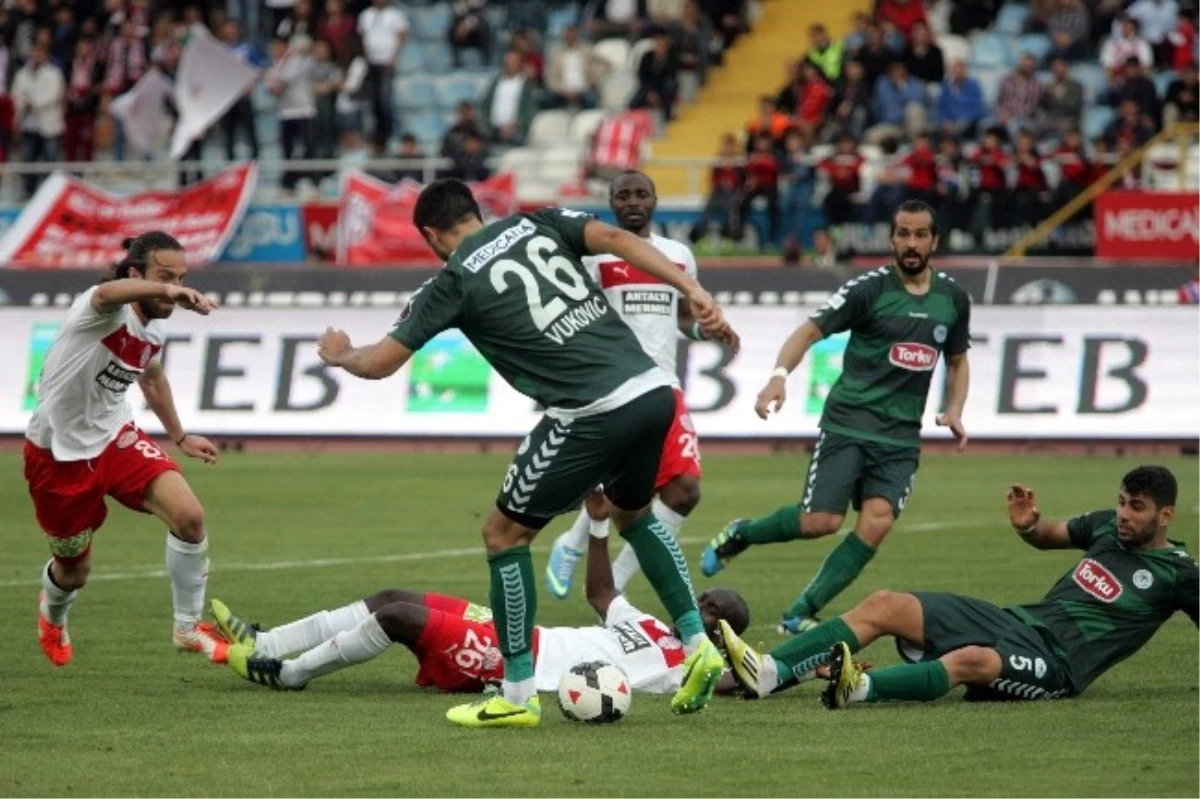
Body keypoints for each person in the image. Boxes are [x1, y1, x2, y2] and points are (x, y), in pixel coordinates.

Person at [314, 179, 738, 728]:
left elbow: (379, 364)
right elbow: (613, 236)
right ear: (478, 212)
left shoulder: (452, 280)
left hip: (591, 410)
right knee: (633, 513)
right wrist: (693, 288)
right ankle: (697, 643)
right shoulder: (535, 221)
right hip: (654, 392)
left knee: (502, 535)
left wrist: (341, 353)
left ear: (431, 235)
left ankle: (516, 695)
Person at [700, 200, 971, 635]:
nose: (911, 242)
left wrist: (955, 408)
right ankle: (742, 533)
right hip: (850, 423)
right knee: (820, 522)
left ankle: (799, 613)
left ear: (934, 241)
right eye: (903, 233)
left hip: (901, 437)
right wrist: (777, 377)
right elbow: (809, 330)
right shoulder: (869, 289)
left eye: (920, 234)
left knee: (876, 522)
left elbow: (957, 360)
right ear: (892, 238)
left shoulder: (953, 299)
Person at [719, 466, 1198, 709]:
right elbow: (1048, 535)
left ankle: (857, 688)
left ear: (1166, 516)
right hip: (1014, 621)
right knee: (887, 603)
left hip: (1059, 666)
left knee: (973, 661)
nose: (1123, 514)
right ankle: (769, 672)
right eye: (1121, 502)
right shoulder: (1105, 529)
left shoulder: (1179, 574)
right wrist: (1027, 526)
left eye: (1136, 507)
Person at [215, 502, 751, 695]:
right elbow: (602, 592)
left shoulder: (691, 668)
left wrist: (802, 668)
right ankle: (268, 639)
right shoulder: (657, 627)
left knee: (401, 617)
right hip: (521, 637)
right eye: (704, 599)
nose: (700, 608)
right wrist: (596, 523)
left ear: (724, 633)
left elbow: (744, 683)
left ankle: (289, 674)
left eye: (713, 611)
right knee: (392, 594)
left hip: (514, 663)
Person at [25, 232, 227, 668]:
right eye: (164, 276)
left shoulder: (152, 329)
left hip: (116, 438)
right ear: (137, 274)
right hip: (58, 455)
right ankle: (52, 615)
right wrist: (166, 289)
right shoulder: (98, 309)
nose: (175, 287)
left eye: (181, 277)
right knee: (73, 570)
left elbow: (150, 378)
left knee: (190, 518)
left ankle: (187, 628)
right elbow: (108, 291)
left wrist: (180, 436)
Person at [545, 171, 734, 600]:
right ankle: (572, 543)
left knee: (684, 491)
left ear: (654, 200)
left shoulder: (678, 255)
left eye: (641, 194)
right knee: (626, 487)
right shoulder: (594, 259)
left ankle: (613, 579)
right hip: (614, 387)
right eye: (623, 195)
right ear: (611, 202)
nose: (633, 201)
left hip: (665, 387)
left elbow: (683, 319)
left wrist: (710, 331)